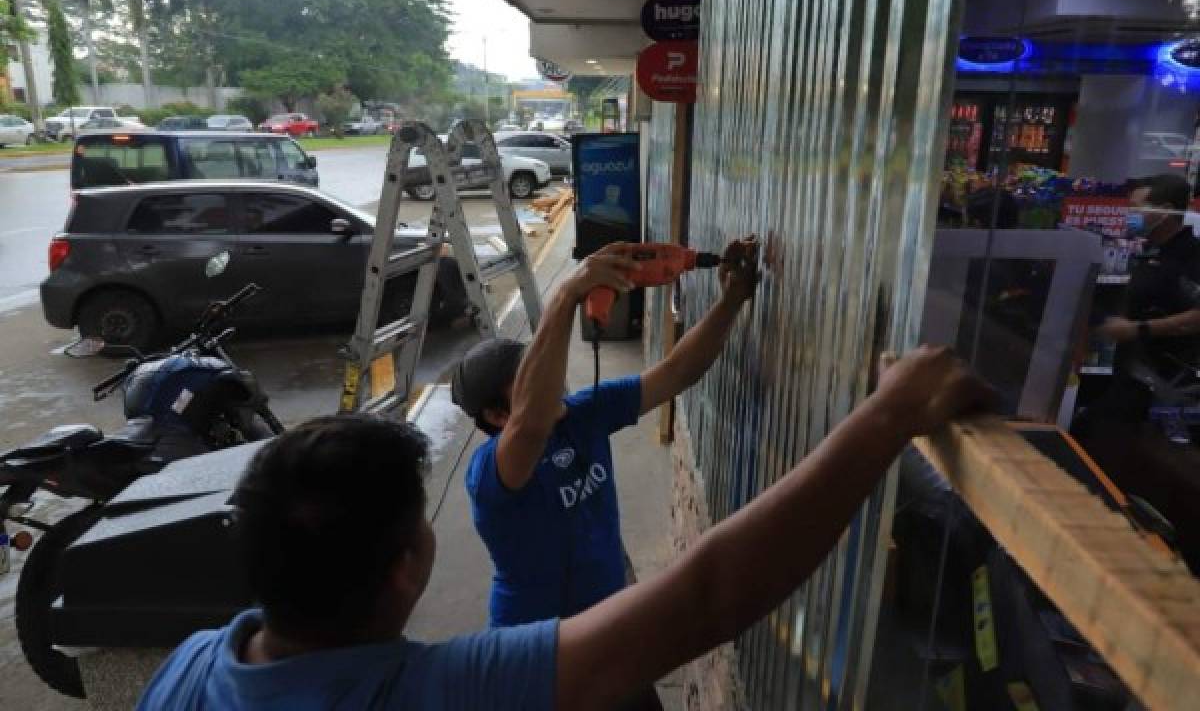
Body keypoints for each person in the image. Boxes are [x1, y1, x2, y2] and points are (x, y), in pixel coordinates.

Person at [137, 347, 990, 710]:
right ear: (408, 566)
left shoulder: (187, 671)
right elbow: (705, 598)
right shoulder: (447, 689)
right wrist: (888, 417)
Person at [452, 238, 758, 633]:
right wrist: (566, 296)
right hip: (536, 649)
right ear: (496, 415)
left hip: (610, 624)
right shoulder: (490, 472)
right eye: (528, 380)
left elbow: (677, 372)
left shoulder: (584, 413)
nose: (553, 378)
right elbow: (530, 427)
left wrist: (731, 300)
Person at [1094, 173, 1200, 421]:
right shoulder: (1150, 251)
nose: (1129, 215)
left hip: (1168, 385)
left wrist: (1137, 329)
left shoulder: (1190, 257)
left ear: (1165, 212)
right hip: (1133, 374)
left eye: (1135, 208)